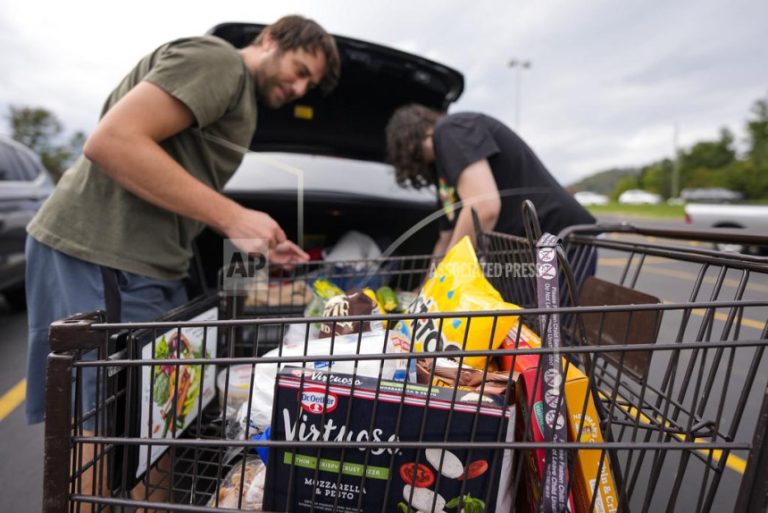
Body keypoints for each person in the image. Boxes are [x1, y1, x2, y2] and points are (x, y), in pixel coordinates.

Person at [25, 15, 341, 427]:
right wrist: (233, 217)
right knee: (101, 431)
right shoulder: (219, 62)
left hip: (152, 266)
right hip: (102, 253)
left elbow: (179, 177)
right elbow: (112, 141)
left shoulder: (238, 93)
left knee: (155, 421)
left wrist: (255, 236)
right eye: (300, 71)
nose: (300, 89)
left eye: (309, 86)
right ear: (270, 39)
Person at [385, 104, 595, 257]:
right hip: (526, 251)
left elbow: (483, 207)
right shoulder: (443, 174)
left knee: (553, 319)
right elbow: (446, 238)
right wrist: (425, 288)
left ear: (406, 141)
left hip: (559, 242)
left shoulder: (452, 129)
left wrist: (448, 272)